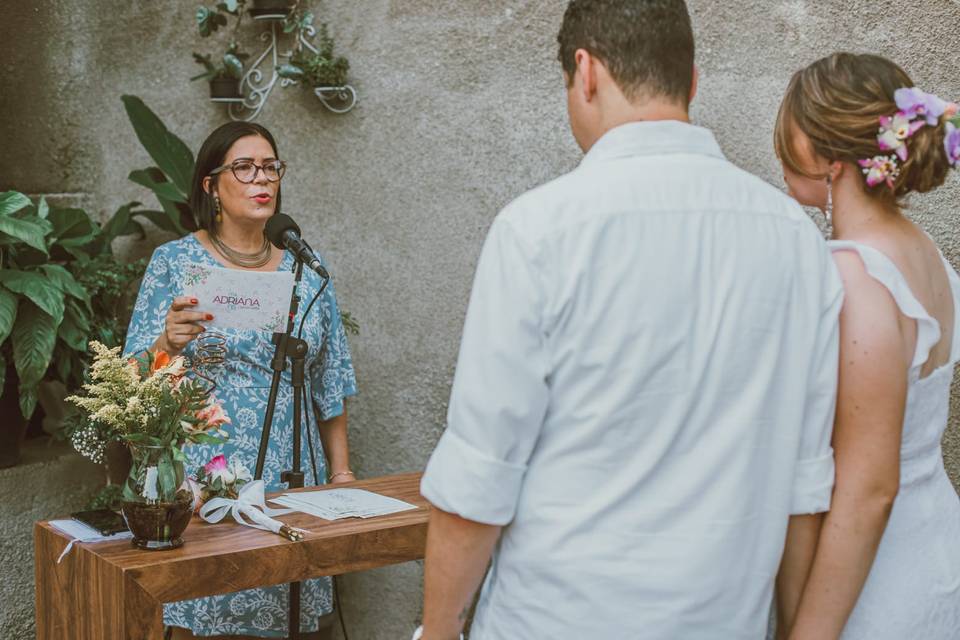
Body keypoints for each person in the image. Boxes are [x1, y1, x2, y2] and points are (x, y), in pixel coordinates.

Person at [414, 1, 843, 638]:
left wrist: (437, 632)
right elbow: (805, 490)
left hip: (556, 619)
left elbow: (482, 474)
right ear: (692, 81)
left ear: (584, 72)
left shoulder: (537, 231)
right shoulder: (796, 240)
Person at [123, 121, 358, 639]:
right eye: (245, 167)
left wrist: (341, 478)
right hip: (209, 474)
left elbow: (330, 381)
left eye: (271, 167)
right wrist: (166, 345)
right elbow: (129, 380)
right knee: (204, 610)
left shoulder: (305, 271)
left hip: (294, 478)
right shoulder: (176, 262)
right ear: (211, 186)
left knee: (290, 615)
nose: (263, 179)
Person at [773, 53, 960, 640]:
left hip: (872, 584)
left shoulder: (855, 277)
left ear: (826, 157)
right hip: (934, 541)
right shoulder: (924, 252)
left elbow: (870, 489)